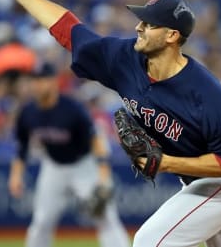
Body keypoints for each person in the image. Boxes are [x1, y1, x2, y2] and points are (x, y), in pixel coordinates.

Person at [0, 0, 221, 247]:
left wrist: (166, 162)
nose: (138, 27)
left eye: (149, 24)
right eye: (141, 21)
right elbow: (67, 29)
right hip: (205, 181)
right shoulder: (124, 59)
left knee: (150, 241)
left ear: (171, 36)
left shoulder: (204, 91)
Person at [8, 61, 130, 247]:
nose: (38, 84)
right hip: (54, 166)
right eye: (35, 80)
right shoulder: (28, 112)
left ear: (54, 82)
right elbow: (21, 146)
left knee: (105, 218)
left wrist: (103, 177)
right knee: (41, 221)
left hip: (84, 165)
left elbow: (96, 141)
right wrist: (16, 175)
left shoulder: (72, 109)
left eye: (43, 79)